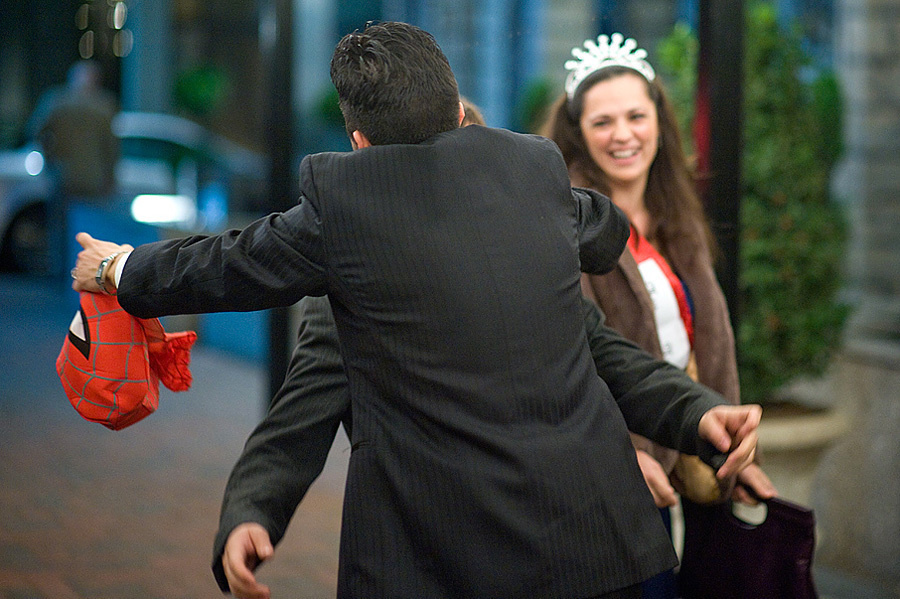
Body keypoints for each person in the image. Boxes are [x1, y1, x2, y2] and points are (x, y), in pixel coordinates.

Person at [71, 22, 761, 599]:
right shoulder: (533, 173)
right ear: (460, 116)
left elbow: (230, 263)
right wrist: (256, 508)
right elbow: (606, 234)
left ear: (360, 143)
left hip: (473, 565)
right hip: (581, 552)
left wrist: (116, 267)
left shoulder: (351, 213)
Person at [539, 33, 777, 597]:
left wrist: (731, 452)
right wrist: (621, 455)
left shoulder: (680, 215)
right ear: (576, 133)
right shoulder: (562, 222)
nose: (623, 135)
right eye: (602, 122)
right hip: (609, 483)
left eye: (635, 116)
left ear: (659, 124)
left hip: (685, 462)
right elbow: (569, 359)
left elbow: (707, 345)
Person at [28, 60, 119, 275]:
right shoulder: (104, 104)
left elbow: (36, 132)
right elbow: (111, 146)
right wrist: (110, 176)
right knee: (91, 228)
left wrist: (50, 158)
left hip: (63, 174)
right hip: (94, 177)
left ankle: (61, 272)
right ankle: (86, 272)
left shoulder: (56, 101)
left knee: (61, 227)